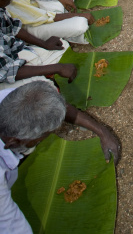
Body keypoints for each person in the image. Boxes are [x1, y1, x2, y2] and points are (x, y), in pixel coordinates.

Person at [0, 81, 120, 233]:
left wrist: (102, 131)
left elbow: (58, 105)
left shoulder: (8, 100)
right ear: (14, 142)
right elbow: (12, 226)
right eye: (42, 137)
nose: (43, 140)